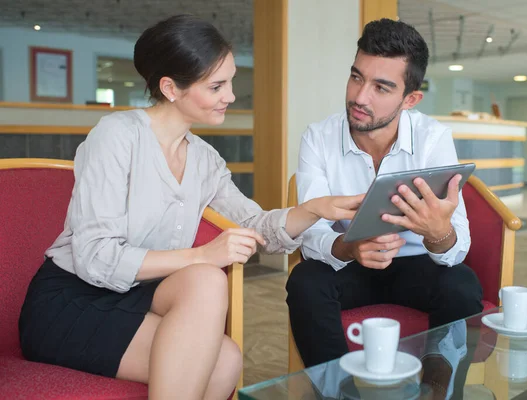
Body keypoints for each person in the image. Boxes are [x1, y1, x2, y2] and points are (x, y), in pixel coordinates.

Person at [18, 15, 363, 400]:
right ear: (170, 88)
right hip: (72, 301)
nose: (230, 96)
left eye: (230, 82)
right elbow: (95, 256)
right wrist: (201, 254)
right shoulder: (116, 136)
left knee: (222, 335)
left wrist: (316, 208)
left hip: (137, 296)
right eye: (216, 86)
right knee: (215, 323)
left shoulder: (204, 159)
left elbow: (256, 225)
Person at [286, 18, 484, 369]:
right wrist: (349, 246)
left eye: (381, 87)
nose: (359, 97)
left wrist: (438, 233)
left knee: (462, 284)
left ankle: (439, 393)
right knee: (305, 280)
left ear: (410, 99)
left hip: (416, 265)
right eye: (356, 77)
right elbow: (311, 234)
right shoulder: (318, 137)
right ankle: (337, 393)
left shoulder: (433, 138)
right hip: (347, 264)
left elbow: (456, 247)